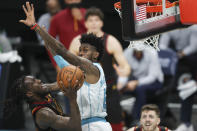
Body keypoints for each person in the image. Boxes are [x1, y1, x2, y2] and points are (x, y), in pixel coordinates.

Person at [19, 2, 112, 131]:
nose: (81, 53)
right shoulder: (77, 73)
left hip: (96, 126)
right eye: (80, 50)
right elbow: (57, 57)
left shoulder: (93, 68)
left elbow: (62, 50)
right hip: (83, 125)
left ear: (95, 54)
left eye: (85, 50)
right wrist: (29, 93)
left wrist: (36, 27)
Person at [69, 7, 131, 131]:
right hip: (86, 91)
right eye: (90, 20)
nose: (93, 23)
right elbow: (68, 66)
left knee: (115, 124)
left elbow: (126, 67)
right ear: (85, 23)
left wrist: (123, 74)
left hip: (108, 89)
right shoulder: (76, 42)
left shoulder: (111, 41)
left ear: (101, 23)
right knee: (84, 125)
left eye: (96, 20)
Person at [159, 26, 197, 131]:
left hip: (193, 56)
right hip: (181, 59)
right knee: (187, 89)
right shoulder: (171, 26)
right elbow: (163, 45)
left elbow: (194, 46)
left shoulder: (194, 27)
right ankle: (186, 124)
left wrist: (179, 54)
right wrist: (170, 55)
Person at [12, 75, 82, 131]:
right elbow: (75, 127)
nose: (39, 80)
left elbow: (61, 84)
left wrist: (77, 75)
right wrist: (72, 99)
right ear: (30, 93)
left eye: (36, 79)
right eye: (34, 82)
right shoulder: (44, 114)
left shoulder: (42, 91)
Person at [122, 48, 164, 124]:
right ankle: (119, 118)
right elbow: (123, 72)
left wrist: (136, 82)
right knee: (117, 88)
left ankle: (137, 119)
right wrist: (124, 84)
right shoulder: (127, 53)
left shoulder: (151, 52)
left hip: (155, 81)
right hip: (135, 80)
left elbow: (152, 76)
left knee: (140, 89)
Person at [49, 0, 87, 69]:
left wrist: (82, 19)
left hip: (88, 62)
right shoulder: (57, 18)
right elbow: (49, 42)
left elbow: (97, 34)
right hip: (66, 62)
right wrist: (56, 63)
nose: (73, 1)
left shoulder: (89, 15)